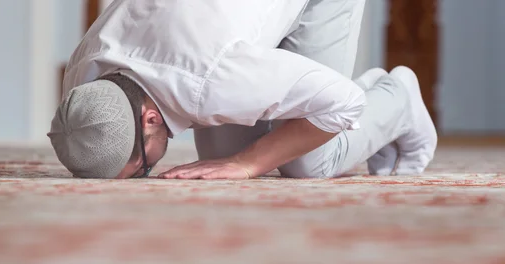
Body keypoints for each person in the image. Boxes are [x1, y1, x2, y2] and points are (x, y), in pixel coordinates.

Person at [48, 0, 437, 180]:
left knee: (308, 164)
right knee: (225, 153)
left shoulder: (210, 79)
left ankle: (397, 96)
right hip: (222, 31)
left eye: (142, 170)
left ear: (150, 119)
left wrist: (247, 164)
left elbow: (344, 103)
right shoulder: (82, 74)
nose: (145, 175)